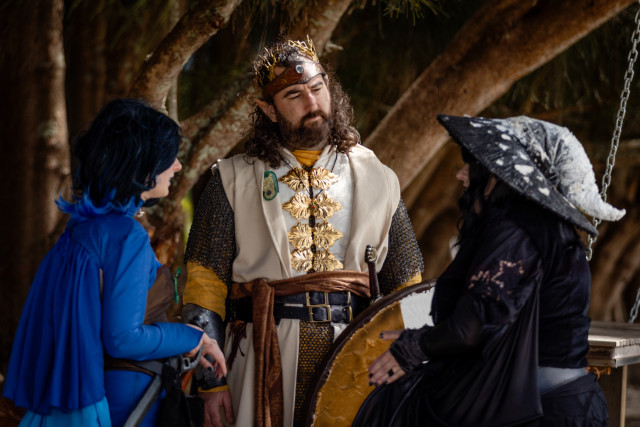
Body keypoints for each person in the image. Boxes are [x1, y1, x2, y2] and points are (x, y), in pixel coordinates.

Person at [181, 36, 424, 427]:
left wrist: (408, 361)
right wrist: (211, 382)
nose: (312, 103)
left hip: (354, 357)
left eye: (317, 87)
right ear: (269, 109)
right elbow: (204, 287)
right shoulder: (232, 179)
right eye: (294, 95)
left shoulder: (378, 176)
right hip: (259, 356)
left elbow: (407, 285)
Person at [353, 114, 626, 427]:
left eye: (473, 165)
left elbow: (472, 327)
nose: (461, 174)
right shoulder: (546, 228)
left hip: (543, 415)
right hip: (561, 406)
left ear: (500, 175)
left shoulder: (517, 230)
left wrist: (415, 347)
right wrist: (430, 340)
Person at [3, 99, 227, 427]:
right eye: (169, 157)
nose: (178, 166)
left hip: (74, 397)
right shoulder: (125, 235)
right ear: (141, 165)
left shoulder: (80, 231)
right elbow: (122, 337)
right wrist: (192, 336)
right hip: (126, 401)